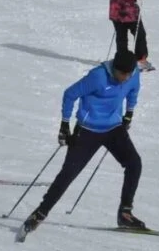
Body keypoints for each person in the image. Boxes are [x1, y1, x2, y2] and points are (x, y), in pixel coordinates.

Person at [17, 50, 144, 241]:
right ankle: (40, 213)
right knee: (68, 174)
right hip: (87, 130)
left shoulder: (133, 75)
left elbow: (133, 91)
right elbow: (70, 94)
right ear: (114, 69)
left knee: (134, 163)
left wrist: (129, 113)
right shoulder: (98, 77)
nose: (124, 78)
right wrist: (64, 125)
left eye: (128, 74)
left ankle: (125, 213)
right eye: (121, 74)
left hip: (113, 127)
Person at [109, 0, 152, 72]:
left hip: (117, 13)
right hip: (127, 13)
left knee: (122, 38)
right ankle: (140, 60)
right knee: (139, 35)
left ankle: (122, 62)